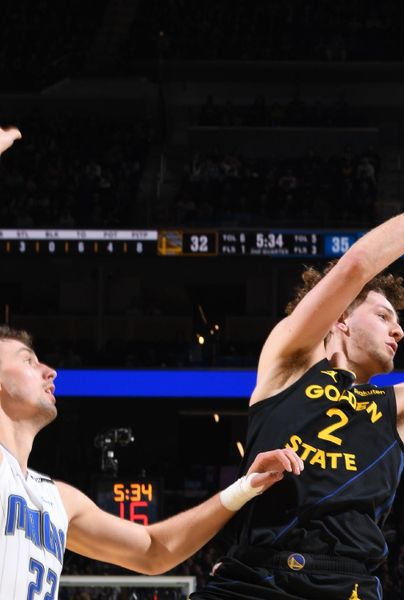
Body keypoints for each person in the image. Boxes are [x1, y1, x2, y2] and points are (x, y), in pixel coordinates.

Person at [194, 153, 404, 599]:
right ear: (340, 318)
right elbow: (356, 265)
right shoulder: (290, 362)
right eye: (383, 315)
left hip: (347, 584)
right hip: (256, 578)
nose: (399, 329)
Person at [0, 130, 304, 599]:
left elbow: (153, 550)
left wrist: (244, 487)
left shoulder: (56, 499)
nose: (49, 371)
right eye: (27, 360)